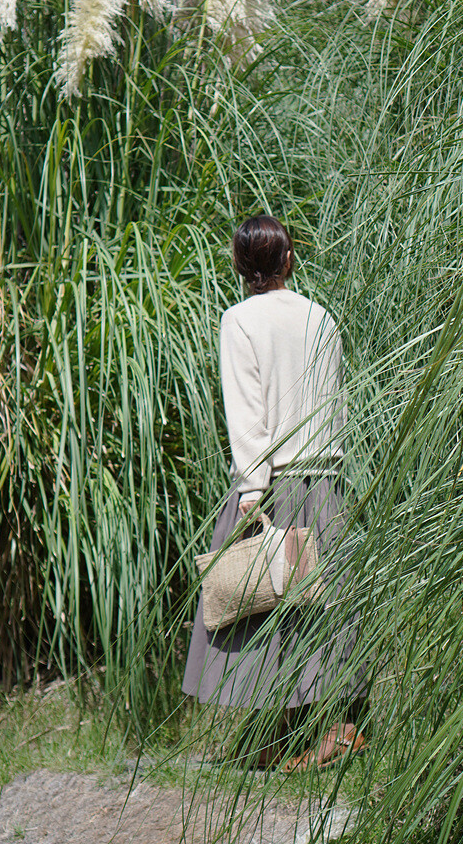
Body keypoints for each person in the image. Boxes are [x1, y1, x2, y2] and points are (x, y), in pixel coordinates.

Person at [182, 215, 364, 769]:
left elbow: (247, 416)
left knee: (263, 608)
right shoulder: (321, 317)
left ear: (240, 265)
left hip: (275, 482)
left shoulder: (239, 320)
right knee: (325, 611)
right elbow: (333, 403)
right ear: (288, 260)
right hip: (326, 479)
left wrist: (250, 491)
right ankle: (338, 727)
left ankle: (280, 734)